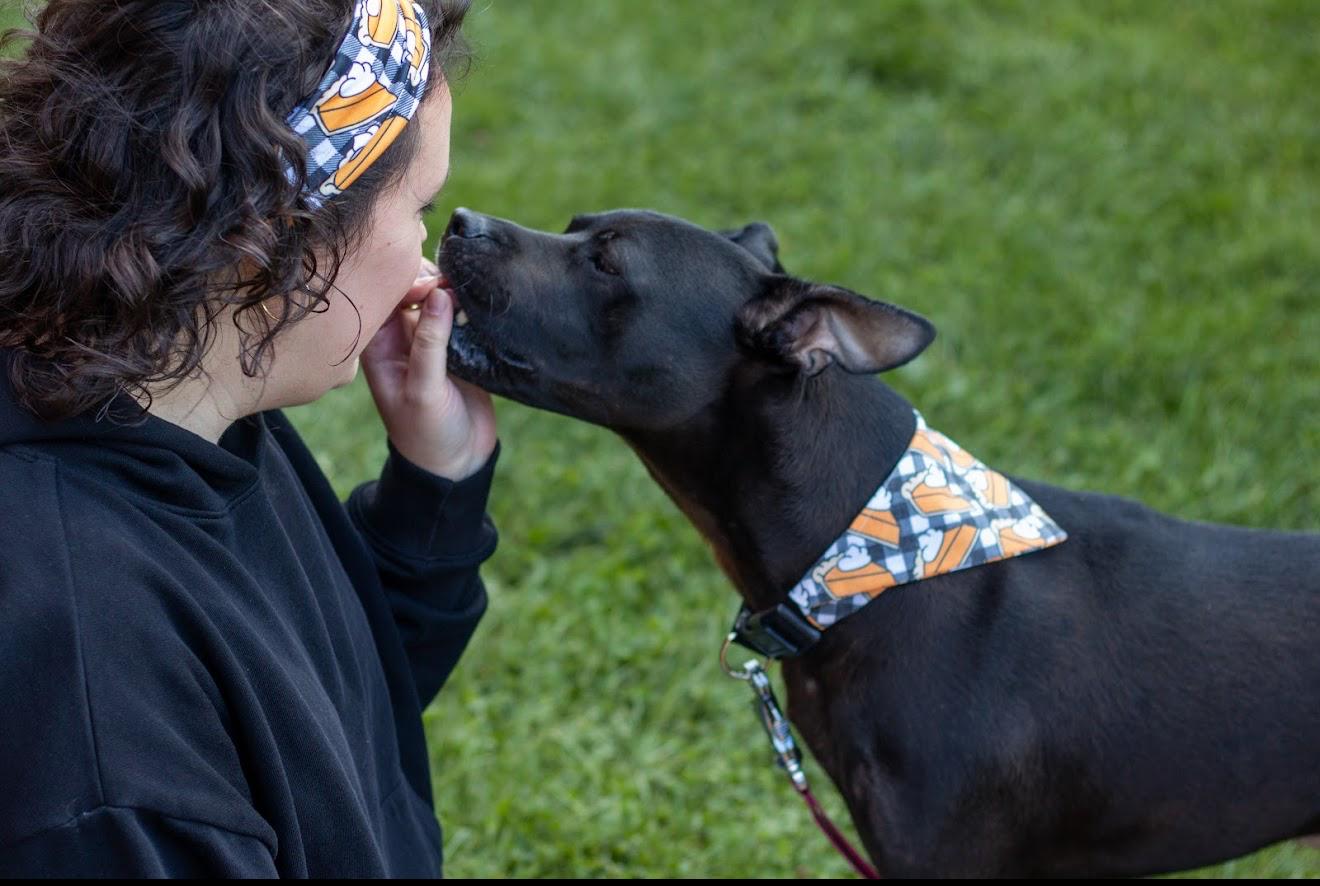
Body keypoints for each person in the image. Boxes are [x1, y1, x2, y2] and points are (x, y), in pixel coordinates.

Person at [0, 0, 494, 876]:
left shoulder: (178, 387)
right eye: (423, 205)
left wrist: (436, 485)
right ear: (278, 239)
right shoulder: (99, 719)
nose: (429, 260)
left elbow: (311, 737)